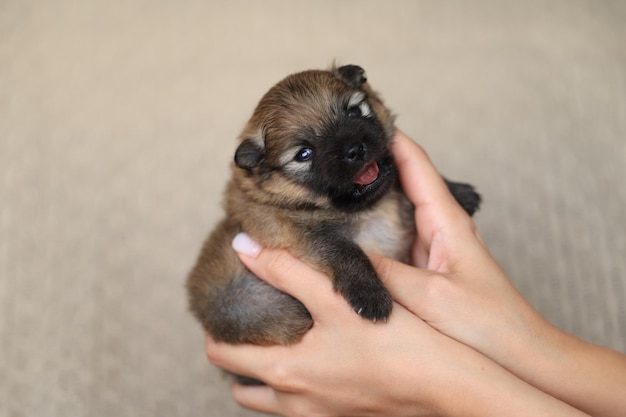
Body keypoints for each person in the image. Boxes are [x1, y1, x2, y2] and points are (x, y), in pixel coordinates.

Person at [205, 130, 626, 417]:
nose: (352, 148)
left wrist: (442, 386)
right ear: (257, 169)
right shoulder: (274, 209)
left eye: (358, 114)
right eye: (304, 155)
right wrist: (525, 346)